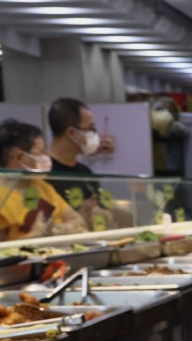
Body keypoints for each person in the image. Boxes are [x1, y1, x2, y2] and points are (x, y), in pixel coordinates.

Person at [0, 119, 88, 241]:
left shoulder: (41, 186)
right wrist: (35, 235)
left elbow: (78, 220)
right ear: (18, 157)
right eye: (39, 153)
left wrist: (55, 231)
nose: (46, 158)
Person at [47, 97, 115, 231]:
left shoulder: (85, 172)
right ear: (72, 133)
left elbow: (104, 212)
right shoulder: (43, 174)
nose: (95, 135)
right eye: (91, 128)